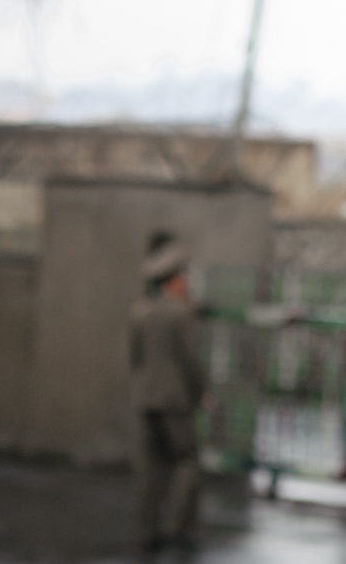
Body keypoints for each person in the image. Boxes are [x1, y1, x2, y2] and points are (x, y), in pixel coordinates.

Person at [131, 234, 204, 553]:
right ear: (171, 281)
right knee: (187, 462)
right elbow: (190, 360)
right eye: (181, 276)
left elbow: (135, 357)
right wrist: (201, 393)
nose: (186, 282)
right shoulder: (180, 314)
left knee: (151, 469)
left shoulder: (140, 311)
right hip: (175, 400)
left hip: (146, 399)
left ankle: (147, 533)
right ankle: (179, 529)